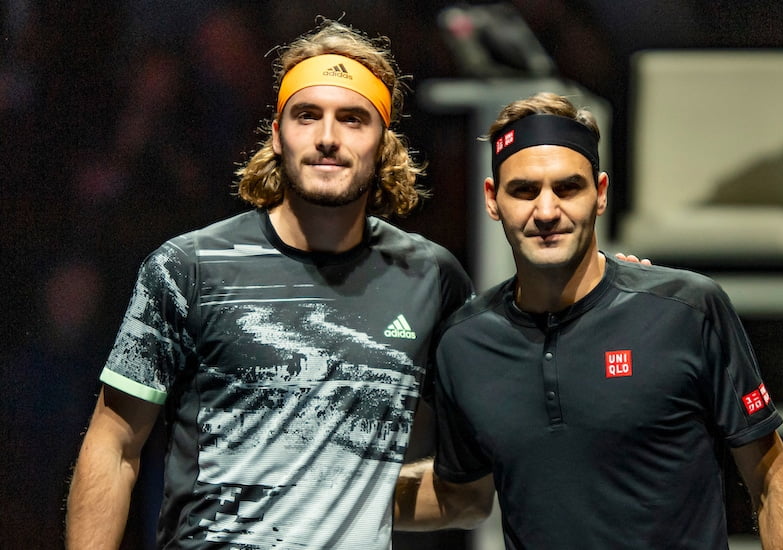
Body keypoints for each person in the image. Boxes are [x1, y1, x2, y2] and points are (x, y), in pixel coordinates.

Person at [65, 19, 476, 549]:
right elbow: (115, 443)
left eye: (353, 119)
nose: (328, 137)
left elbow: (473, 485)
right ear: (277, 134)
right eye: (307, 115)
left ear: (385, 143)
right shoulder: (189, 267)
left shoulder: (432, 278)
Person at [393, 92, 783, 549]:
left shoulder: (688, 310)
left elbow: (770, 476)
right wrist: (325, 485)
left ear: (601, 194)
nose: (548, 211)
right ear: (493, 199)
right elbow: (463, 495)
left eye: (568, 188)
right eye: (524, 190)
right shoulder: (463, 343)